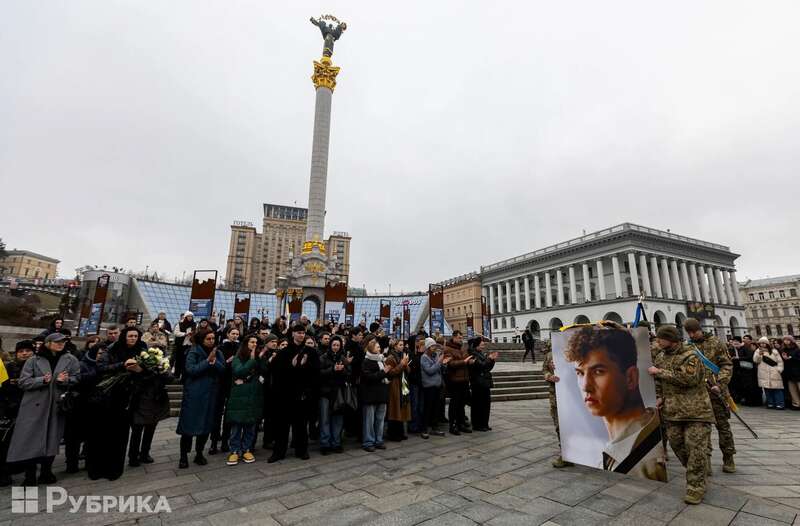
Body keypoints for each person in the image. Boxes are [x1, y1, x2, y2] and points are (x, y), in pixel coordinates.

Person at [564, 326, 667, 481]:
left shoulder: (644, 463)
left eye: (598, 371)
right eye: (580, 373)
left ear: (630, 378)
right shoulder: (639, 435)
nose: (585, 386)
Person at [649, 325, 713, 505]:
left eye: (661, 338)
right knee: (677, 445)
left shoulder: (691, 355)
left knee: (695, 448)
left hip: (696, 412)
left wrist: (660, 372)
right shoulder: (661, 356)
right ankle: (698, 470)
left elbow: (689, 379)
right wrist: (659, 396)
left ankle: (695, 486)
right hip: (672, 411)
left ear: (671, 339)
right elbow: (658, 381)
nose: (657, 341)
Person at [7, 333, 80, 486]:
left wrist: (65, 380)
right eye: (57, 342)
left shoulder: (71, 359)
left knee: (52, 439)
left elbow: (77, 378)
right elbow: (23, 382)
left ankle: (46, 472)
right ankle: (30, 476)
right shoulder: (33, 360)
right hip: (33, 406)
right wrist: (42, 380)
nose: (61, 344)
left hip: (56, 406)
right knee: (29, 440)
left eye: (63, 342)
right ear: (48, 343)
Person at [86, 326, 147, 481]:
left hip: (127, 399)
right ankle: (96, 468)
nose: (133, 338)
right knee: (101, 434)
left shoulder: (142, 351)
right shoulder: (112, 349)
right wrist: (122, 365)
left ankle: (114, 469)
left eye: (135, 336)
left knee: (120, 436)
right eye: (130, 336)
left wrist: (140, 370)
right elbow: (100, 368)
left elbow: (147, 373)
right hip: (108, 397)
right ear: (124, 336)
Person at [683, 318, 736, 474]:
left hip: (716, 392)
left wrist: (720, 384)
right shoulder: (687, 347)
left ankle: (728, 457)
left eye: (694, 332)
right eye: (689, 333)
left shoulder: (716, 343)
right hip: (698, 395)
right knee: (701, 430)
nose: (692, 335)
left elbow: (727, 365)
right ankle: (705, 460)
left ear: (700, 329)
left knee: (723, 427)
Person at [175, 328, 225, 468]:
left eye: (213, 338)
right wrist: (207, 362)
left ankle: (199, 453)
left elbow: (223, 370)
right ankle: (183, 456)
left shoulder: (217, 352)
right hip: (194, 395)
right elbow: (191, 370)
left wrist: (214, 362)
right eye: (208, 339)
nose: (211, 341)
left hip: (211, 395)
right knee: (188, 427)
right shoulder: (194, 351)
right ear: (202, 339)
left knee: (206, 426)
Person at [269, 325, 311, 462]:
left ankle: (302, 450)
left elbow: (313, 372)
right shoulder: (284, 352)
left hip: (301, 394)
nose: (301, 335)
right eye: (299, 332)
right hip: (285, 394)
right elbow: (276, 372)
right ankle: (279, 452)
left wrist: (302, 368)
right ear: (293, 334)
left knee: (301, 425)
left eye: (303, 333)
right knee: (282, 425)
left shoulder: (309, 351)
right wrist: (292, 367)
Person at [128, 345, 171, 467]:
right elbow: (138, 380)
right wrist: (149, 371)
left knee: (150, 429)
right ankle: (133, 456)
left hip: (156, 401)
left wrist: (162, 371)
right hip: (141, 401)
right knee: (137, 430)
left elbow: (170, 378)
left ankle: (145, 453)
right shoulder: (140, 365)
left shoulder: (163, 366)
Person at [225, 335, 263, 466]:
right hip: (239, 397)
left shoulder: (258, 358)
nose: (254, 344)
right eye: (252, 342)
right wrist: (251, 361)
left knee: (250, 426)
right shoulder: (237, 358)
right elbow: (239, 371)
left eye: (256, 342)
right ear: (246, 344)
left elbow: (264, 371)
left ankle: (247, 449)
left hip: (253, 396)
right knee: (237, 426)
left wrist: (260, 358)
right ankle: (234, 451)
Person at [0, 340, 33, 485]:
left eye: (28, 350)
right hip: (11, 410)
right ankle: (5, 472)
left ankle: (20, 466)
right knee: (6, 443)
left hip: (30, 411)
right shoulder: (9, 367)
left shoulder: (37, 367)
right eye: (21, 351)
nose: (24, 353)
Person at [210, 327, 240, 454]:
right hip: (220, 384)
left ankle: (225, 442)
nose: (235, 336)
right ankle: (213, 442)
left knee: (229, 415)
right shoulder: (220, 348)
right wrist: (228, 362)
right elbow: (217, 366)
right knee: (216, 414)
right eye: (233, 333)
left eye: (237, 334)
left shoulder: (239, 348)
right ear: (228, 334)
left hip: (232, 384)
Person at [318, 335, 349, 454]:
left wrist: (342, 370)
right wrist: (332, 369)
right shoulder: (323, 357)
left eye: (338, 345)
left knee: (338, 418)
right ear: (330, 345)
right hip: (326, 392)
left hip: (339, 392)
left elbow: (349, 373)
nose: (336, 347)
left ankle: (336, 442)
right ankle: (325, 443)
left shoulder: (343, 358)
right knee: (325, 419)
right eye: (334, 345)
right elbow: (319, 373)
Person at [543, 340, 572, 468]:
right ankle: (566, 454)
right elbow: (544, 370)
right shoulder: (550, 355)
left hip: (572, 397)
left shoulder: (575, 353)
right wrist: (549, 376)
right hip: (556, 396)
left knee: (574, 426)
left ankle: (576, 454)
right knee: (559, 426)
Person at [360, 338, 389, 452]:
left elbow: (385, 375)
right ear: (371, 348)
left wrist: (387, 373)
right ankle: (368, 442)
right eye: (377, 347)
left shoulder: (381, 359)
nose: (379, 349)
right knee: (369, 421)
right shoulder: (366, 361)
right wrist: (383, 372)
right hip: (370, 395)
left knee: (380, 419)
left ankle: (379, 440)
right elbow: (369, 377)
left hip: (381, 394)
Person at [442, 331, 472, 435]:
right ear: (454, 337)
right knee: (454, 403)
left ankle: (461, 423)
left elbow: (466, 357)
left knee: (462, 403)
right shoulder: (448, 349)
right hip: (454, 380)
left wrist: (470, 361)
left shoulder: (462, 348)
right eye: (459, 338)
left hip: (464, 379)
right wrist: (463, 362)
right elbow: (450, 363)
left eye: (461, 338)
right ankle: (453, 425)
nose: (461, 339)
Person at [467, 336, 498, 432]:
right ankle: (477, 424)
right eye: (482, 344)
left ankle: (484, 423)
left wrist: (492, 360)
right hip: (478, 383)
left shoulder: (480, 353)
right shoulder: (472, 354)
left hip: (484, 382)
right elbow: (481, 366)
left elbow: (487, 368)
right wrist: (489, 359)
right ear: (476, 345)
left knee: (486, 404)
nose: (483, 346)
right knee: (478, 405)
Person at [384, 340, 411, 442]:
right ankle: (392, 433)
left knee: (401, 408)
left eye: (403, 345)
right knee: (394, 409)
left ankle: (400, 432)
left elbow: (408, 371)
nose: (402, 346)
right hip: (394, 386)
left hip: (403, 385)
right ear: (394, 346)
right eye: (400, 345)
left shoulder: (402, 355)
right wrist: (401, 364)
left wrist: (406, 364)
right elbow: (390, 373)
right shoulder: (390, 357)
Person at [419, 337, 445, 439]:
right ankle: (424, 429)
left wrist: (443, 363)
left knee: (436, 408)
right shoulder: (424, 357)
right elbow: (430, 371)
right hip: (429, 386)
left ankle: (435, 427)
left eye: (435, 346)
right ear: (428, 347)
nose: (434, 348)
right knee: (427, 408)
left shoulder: (435, 356)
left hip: (437, 385)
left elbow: (438, 368)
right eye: (432, 346)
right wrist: (439, 362)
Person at [753, 337, 785, 409]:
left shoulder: (774, 351)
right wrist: (759, 355)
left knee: (777, 388)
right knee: (767, 389)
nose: (762, 344)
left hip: (774, 371)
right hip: (763, 372)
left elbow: (780, 361)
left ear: (767, 343)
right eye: (761, 343)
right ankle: (770, 403)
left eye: (764, 343)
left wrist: (779, 369)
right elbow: (756, 360)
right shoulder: (758, 351)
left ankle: (780, 404)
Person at [406, 335, 425, 434]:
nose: (420, 343)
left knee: (421, 405)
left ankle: (420, 424)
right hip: (414, 383)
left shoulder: (422, 353)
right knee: (415, 404)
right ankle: (413, 425)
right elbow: (411, 368)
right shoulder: (410, 353)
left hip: (422, 382)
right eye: (418, 341)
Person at [172, 311, 196, 380]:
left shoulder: (194, 324)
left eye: (191, 316)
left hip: (190, 345)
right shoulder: (180, 324)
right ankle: (177, 375)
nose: (190, 318)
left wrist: (193, 334)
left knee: (187, 361)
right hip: (181, 345)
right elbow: (176, 333)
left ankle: (185, 376)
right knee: (179, 360)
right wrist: (185, 334)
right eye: (188, 316)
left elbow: (196, 332)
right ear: (185, 317)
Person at [780, 336, 800, 410]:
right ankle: (796, 404)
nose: (786, 341)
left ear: (791, 341)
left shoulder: (797, 349)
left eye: (788, 340)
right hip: (788, 372)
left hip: (798, 371)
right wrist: (785, 358)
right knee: (792, 390)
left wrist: (791, 358)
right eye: (785, 340)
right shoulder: (783, 350)